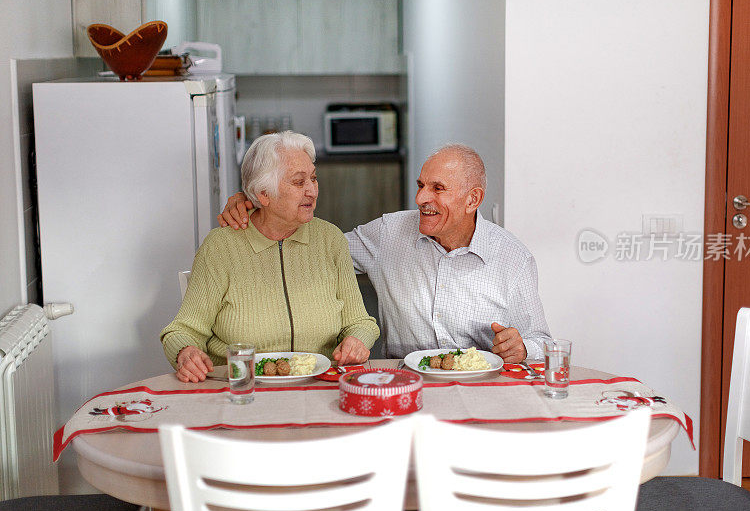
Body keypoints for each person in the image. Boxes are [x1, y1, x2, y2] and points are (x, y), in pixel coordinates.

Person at [219, 144, 549, 363]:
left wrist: (523, 348)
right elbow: (316, 246)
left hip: (478, 390)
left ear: (473, 200)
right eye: (421, 186)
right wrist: (258, 203)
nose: (421, 199)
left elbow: (543, 342)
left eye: (437, 189)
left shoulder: (512, 258)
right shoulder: (390, 233)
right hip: (401, 386)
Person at [162, 131, 379, 382]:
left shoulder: (330, 240)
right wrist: (186, 352)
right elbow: (182, 330)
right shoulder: (221, 247)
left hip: (320, 384)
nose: (312, 191)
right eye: (299, 182)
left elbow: (360, 322)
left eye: (313, 178)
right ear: (263, 194)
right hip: (242, 387)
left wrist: (357, 340)